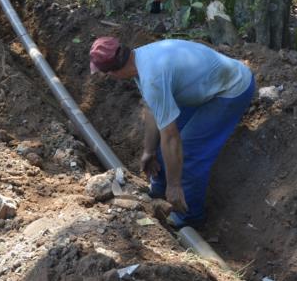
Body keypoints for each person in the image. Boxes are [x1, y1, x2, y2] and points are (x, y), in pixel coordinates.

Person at [89, 37, 255, 228]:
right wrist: (149, 151)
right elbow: (152, 110)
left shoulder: (153, 78)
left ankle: (189, 218)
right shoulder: (138, 59)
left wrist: (175, 185)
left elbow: (171, 136)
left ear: (114, 72)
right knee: (163, 149)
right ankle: (158, 191)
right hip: (203, 85)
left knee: (187, 153)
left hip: (231, 88)